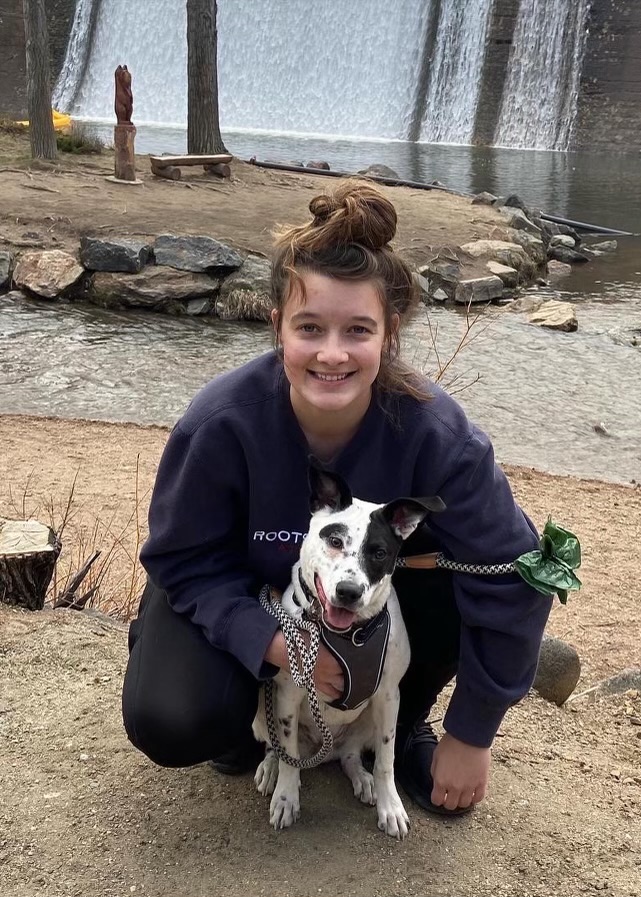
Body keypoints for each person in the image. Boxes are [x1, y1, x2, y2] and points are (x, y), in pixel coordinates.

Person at [122, 180, 553, 816]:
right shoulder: (220, 423)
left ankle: (403, 722)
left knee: (452, 571)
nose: (331, 353)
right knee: (175, 720)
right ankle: (245, 711)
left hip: (377, 605)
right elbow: (182, 562)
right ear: (277, 328)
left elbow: (514, 575)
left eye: (357, 330)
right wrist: (277, 645)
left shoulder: (438, 436)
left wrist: (474, 732)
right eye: (309, 328)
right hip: (246, 597)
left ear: (390, 331)